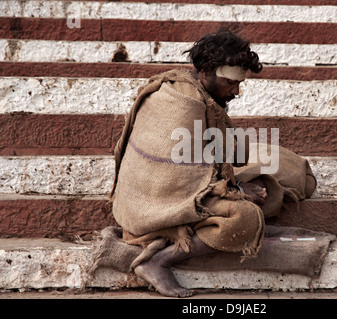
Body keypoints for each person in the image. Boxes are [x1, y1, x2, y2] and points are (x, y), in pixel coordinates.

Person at [109, 28, 316, 297]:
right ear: (206, 70)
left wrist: (235, 182)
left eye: (240, 83)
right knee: (245, 217)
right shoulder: (183, 102)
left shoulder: (197, 94)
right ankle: (157, 261)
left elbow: (207, 160)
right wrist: (237, 191)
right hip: (150, 207)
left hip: (176, 193)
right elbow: (177, 179)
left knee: (275, 173)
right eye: (231, 82)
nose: (236, 90)